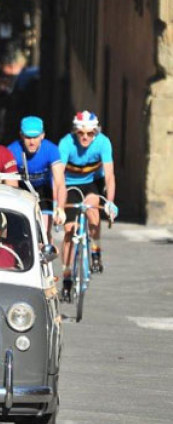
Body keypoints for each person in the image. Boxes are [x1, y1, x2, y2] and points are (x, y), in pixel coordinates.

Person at [59, 111, 118, 299]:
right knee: (69, 230)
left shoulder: (103, 142)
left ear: (96, 132)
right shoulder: (66, 143)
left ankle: (95, 249)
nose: (85, 137)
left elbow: (109, 176)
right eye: (81, 133)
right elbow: (58, 178)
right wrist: (57, 206)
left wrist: (110, 202)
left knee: (93, 209)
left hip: (93, 182)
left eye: (90, 133)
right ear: (75, 131)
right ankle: (67, 275)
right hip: (69, 184)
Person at [8, 116, 68, 237]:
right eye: (28, 137)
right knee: (19, 232)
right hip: (21, 188)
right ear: (21, 135)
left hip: (43, 189)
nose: (32, 142)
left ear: (42, 135)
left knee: (43, 232)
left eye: (35, 137)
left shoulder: (51, 150)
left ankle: (45, 251)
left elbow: (60, 183)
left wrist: (60, 208)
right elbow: (11, 185)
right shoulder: (13, 150)